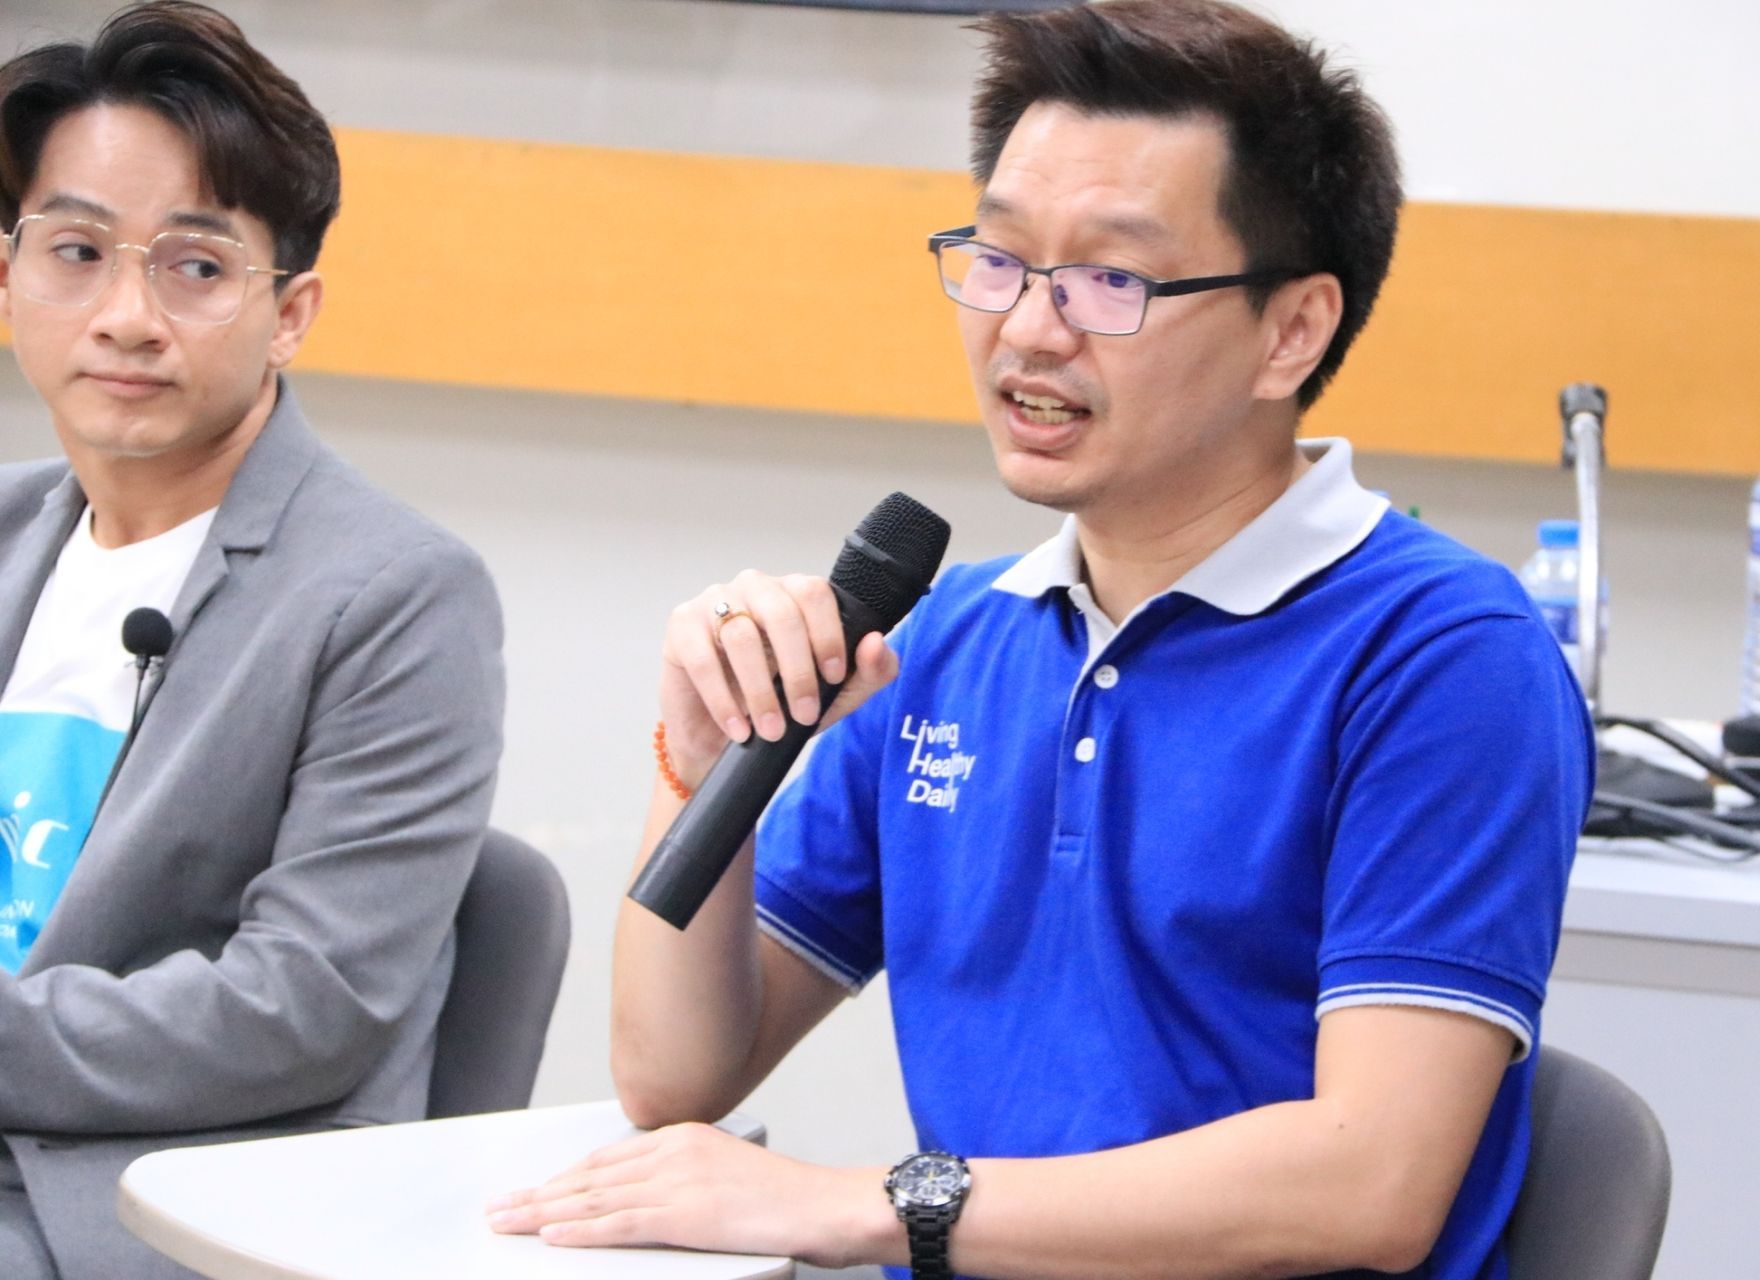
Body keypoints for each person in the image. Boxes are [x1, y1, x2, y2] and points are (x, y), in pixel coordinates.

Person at [488, 2, 1590, 1277]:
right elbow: (675, 1074)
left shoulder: (1443, 654)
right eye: (1001, 258)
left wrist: (871, 1204)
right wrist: (697, 762)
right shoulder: (952, 634)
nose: (1027, 329)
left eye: (1111, 279)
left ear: (1291, 331)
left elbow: (1368, 1182)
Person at [0, 4, 505, 1276]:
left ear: (289, 310)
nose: (126, 315)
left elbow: (305, 1004)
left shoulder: (398, 595)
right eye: (76, 251)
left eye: (195, 265)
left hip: (133, 1199)